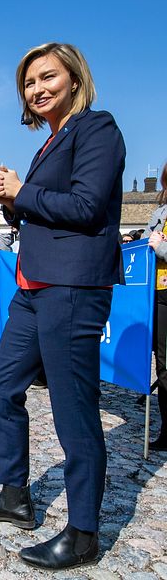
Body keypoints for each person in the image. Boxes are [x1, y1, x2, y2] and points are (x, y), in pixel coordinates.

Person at [0, 42, 125, 571]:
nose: (37, 89)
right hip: (33, 289)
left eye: (46, 77)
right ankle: (14, 496)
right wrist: (13, 203)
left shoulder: (97, 128)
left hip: (73, 289)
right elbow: (42, 217)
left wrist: (21, 192)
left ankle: (83, 533)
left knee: (72, 408)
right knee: (1, 385)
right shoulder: (47, 145)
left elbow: (85, 207)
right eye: (29, 83)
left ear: (75, 79)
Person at [144, 162, 167, 450]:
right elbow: (145, 241)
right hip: (160, 293)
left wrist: (159, 246)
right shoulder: (159, 214)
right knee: (163, 365)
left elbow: (157, 245)